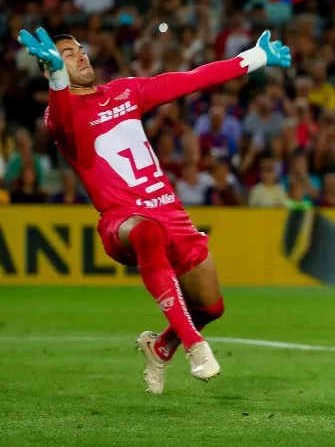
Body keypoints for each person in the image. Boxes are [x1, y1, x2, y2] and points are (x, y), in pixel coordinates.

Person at [18, 26, 291, 394]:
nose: (81, 56)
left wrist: (255, 58)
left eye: (81, 50)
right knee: (148, 233)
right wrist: (56, 77)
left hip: (170, 214)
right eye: (68, 54)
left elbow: (191, 79)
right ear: (49, 66)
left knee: (210, 307)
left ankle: (161, 345)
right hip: (123, 220)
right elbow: (63, 118)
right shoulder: (61, 114)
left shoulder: (125, 91)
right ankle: (195, 346)